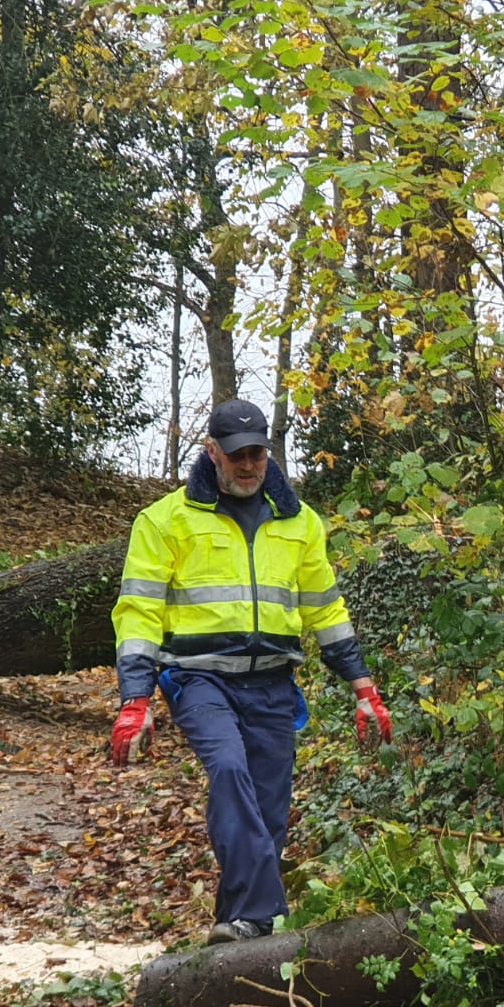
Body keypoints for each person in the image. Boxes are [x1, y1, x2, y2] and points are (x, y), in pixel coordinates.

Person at [109, 398, 392, 944]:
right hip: (199, 679)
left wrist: (363, 687)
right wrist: (136, 698)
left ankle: (240, 925)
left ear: (269, 451)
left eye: (257, 454)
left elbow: (325, 610)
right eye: (236, 455)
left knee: (268, 809)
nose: (247, 465)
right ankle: (267, 915)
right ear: (211, 452)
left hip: (272, 685)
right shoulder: (164, 522)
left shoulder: (299, 523)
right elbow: (139, 611)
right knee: (230, 773)